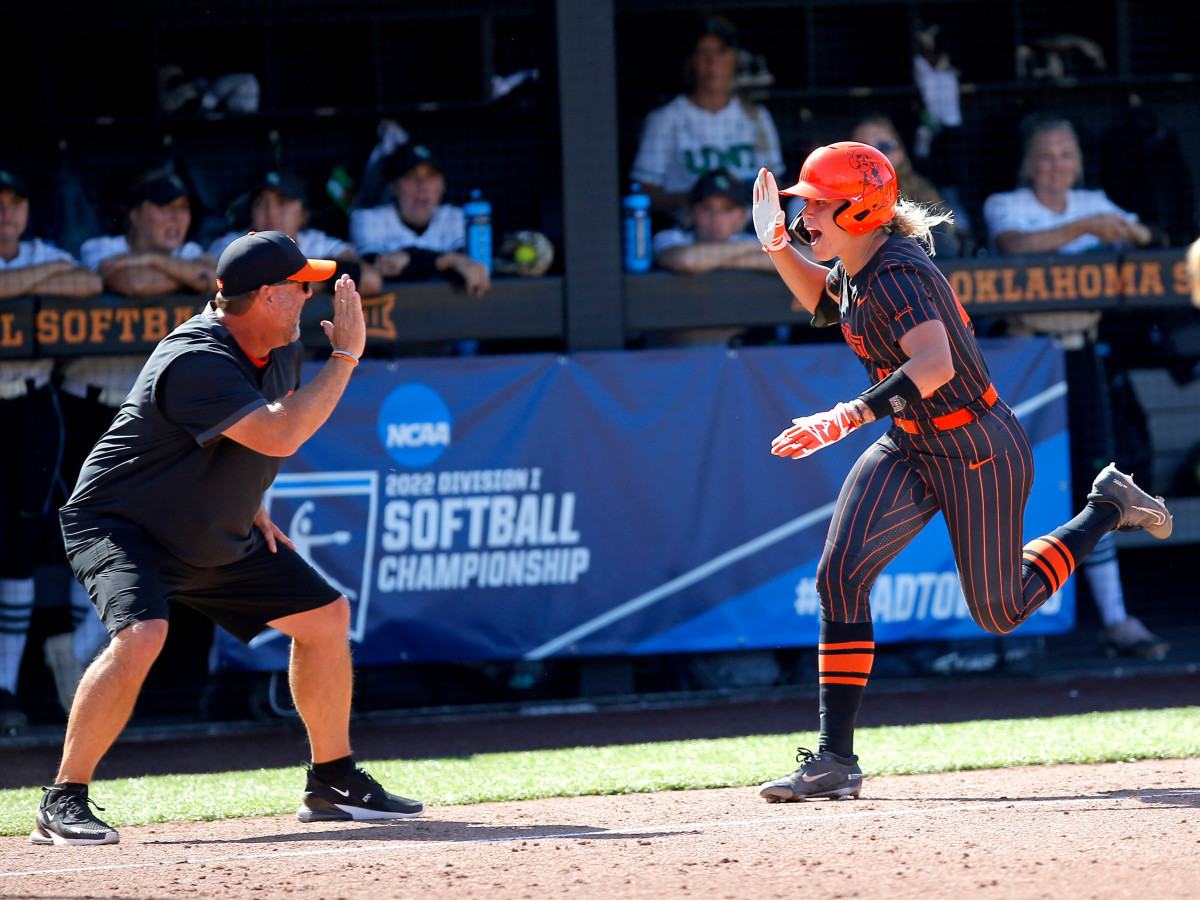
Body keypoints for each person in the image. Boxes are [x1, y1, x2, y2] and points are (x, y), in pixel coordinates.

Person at [747, 143, 1172, 802]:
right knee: (840, 576)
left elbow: (934, 366)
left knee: (1000, 611)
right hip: (913, 442)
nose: (807, 219)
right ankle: (834, 759)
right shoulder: (860, 265)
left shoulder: (896, 273)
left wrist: (844, 417)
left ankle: (1107, 507)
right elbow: (828, 301)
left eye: (818, 207)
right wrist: (777, 244)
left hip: (977, 445)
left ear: (861, 210)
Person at [32, 231, 424, 846]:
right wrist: (346, 357)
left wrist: (252, 502)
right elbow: (280, 434)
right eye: (300, 287)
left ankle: (332, 781)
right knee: (142, 635)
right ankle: (62, 799)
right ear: (266, 295)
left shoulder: (283, 345)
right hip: (122, 523)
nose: (309, 296)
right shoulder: (195, 360)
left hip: (210, 527)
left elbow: (255, 441)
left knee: (326, 617)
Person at [983, 117, 1166, 660]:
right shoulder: (1007, 203)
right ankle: (1015, 618)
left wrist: (1118, 227)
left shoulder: (1096, 199)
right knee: (1019, 482)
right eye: (1045, 155)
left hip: (1081, 351)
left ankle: (1115, 618)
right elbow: (1014, 245)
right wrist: (1092, 228)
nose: (1056, 165)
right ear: (1027, 161)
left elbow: (1148, 238)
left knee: (1101, 478)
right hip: (1026, 357)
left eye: (1066, 154)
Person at [0, 169, 103, 734]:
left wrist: (22, 280)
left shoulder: (42, 250)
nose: (7, 212)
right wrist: (36, 285)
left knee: (19, 541)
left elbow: (87, 283)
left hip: (31, 405)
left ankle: (6, 685)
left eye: (15, 202)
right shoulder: (45, 263)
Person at [629, 16, 783, 222]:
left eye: (721, 52)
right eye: (703, 53)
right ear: (691, 60)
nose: (712, 62)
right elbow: (643, 189)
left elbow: (776, 180)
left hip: (748, 232)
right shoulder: (666, 119)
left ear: (735, 58)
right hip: (687, 231)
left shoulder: (756, 116)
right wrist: (696, 201)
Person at [209, 170, 382, 297]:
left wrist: (286, 282)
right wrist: (319, 277)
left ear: (303, 213)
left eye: (283, 202)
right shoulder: (230, 246)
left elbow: (371, 280)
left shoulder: (318, 243)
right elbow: (216, 282)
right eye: (261, 203)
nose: (272, 212)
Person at [349, 143, 490, 296]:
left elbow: (469, 263)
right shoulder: (367, 219)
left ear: (442, 185)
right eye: (411, 176)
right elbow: (374, 269)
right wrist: (448, 261)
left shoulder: (458, 217)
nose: (422, 186)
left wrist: (409, 258)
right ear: (394, 186)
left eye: (430, 176)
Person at [847, 114, 970, 257]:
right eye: (864, 150)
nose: (875, 156)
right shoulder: (834, 201)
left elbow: (944, 254)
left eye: (884, 147)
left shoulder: (923, 197)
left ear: (900, 153)